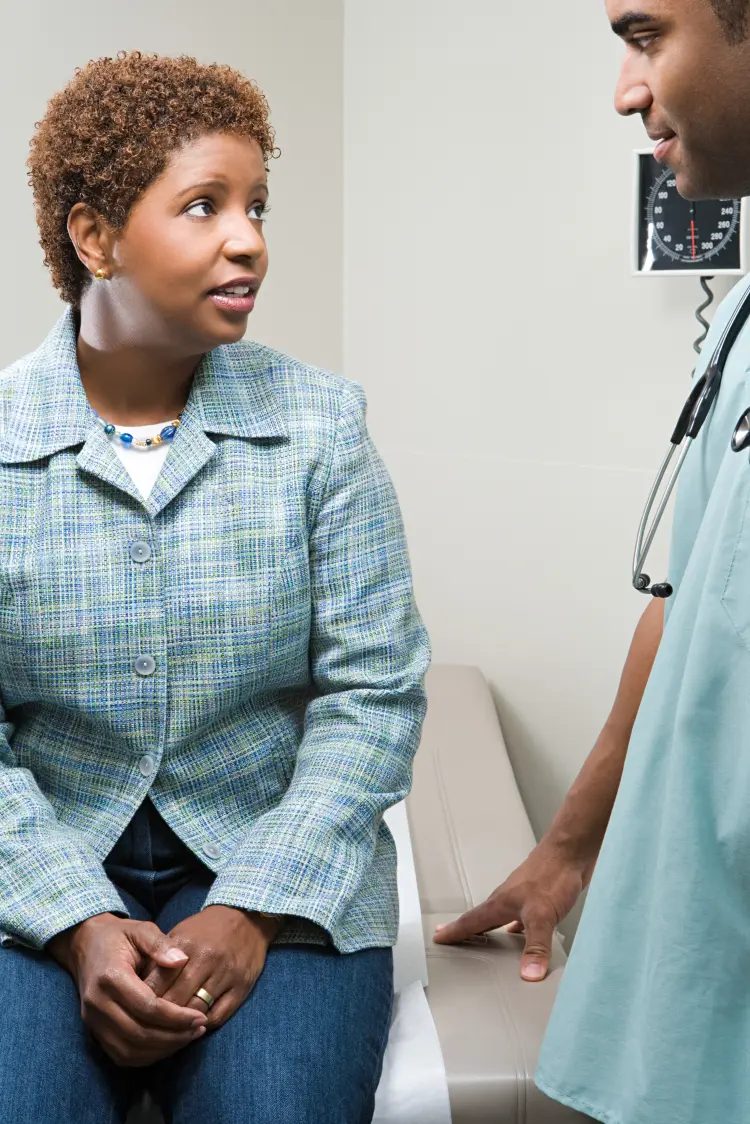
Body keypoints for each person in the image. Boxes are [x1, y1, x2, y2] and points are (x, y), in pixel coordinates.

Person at [0, 51, 430, 1124]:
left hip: (275, 865)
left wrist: (251, 903)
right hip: (40, 866)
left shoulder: (323, 426)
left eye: (257, 206)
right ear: (95, 236)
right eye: (204, 207)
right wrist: (73, 919)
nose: (250, 239)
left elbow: (373, 694)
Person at [435, 2, 750, 1122]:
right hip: (699, 964)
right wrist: (568, 844)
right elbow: (690, 590)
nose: (625, 90)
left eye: (646, 35)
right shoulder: (741, 329)